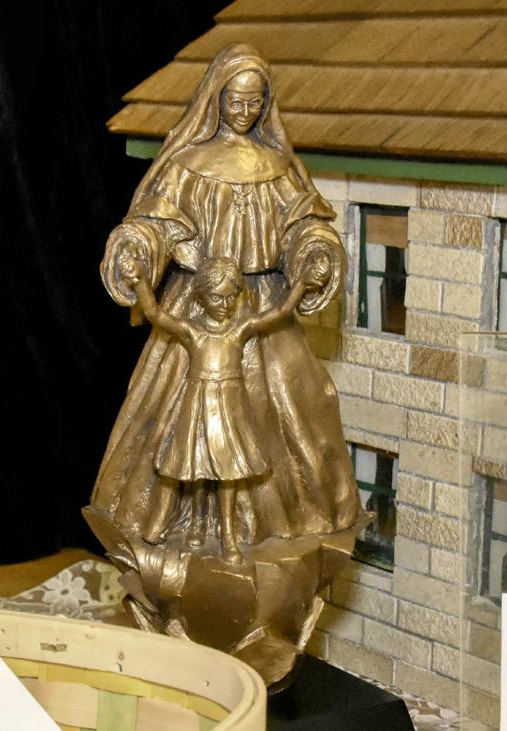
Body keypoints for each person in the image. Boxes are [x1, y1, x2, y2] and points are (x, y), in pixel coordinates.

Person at [94, 43, 360, 549]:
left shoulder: (278, 166)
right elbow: (156, 223)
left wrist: (314, 251)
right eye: (235, 101)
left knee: (299, 411)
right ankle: (177, 523)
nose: (244, 112)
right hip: (197, 301)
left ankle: (270, 526)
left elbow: (303, 224)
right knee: (170, 419)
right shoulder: (186, 164)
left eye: (255, 102)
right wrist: (137, 247)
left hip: (262, 303)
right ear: (215, 98)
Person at [123, 255, 325, 563]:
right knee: (194, 467)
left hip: (230, 407)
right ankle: (197, 524)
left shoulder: (239, 330)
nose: (225, 304)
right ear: (201, 297)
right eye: (217, 297)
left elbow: (280, 312)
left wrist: (302, 284)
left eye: (232, 296)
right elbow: (153, 312)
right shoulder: (192, 331)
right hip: (197, 403)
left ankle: (228, 534)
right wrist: (138, 279)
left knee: (228, 471)